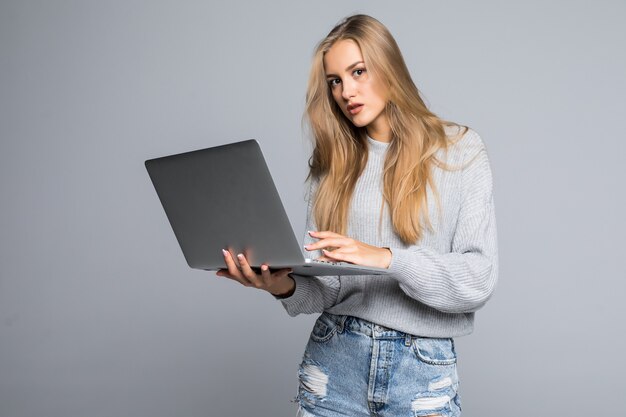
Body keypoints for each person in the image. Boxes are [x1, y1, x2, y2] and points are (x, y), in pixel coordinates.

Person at [216, 14, 498, 417]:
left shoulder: (460, 151)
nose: (346, 91)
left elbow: (478, 279)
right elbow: (329, 289)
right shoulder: (333, 166)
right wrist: (281, 286)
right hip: (334, 361)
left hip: (421, 372)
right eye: (335, 81)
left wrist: (386, 258)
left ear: (389, 67)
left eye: (358, 71)